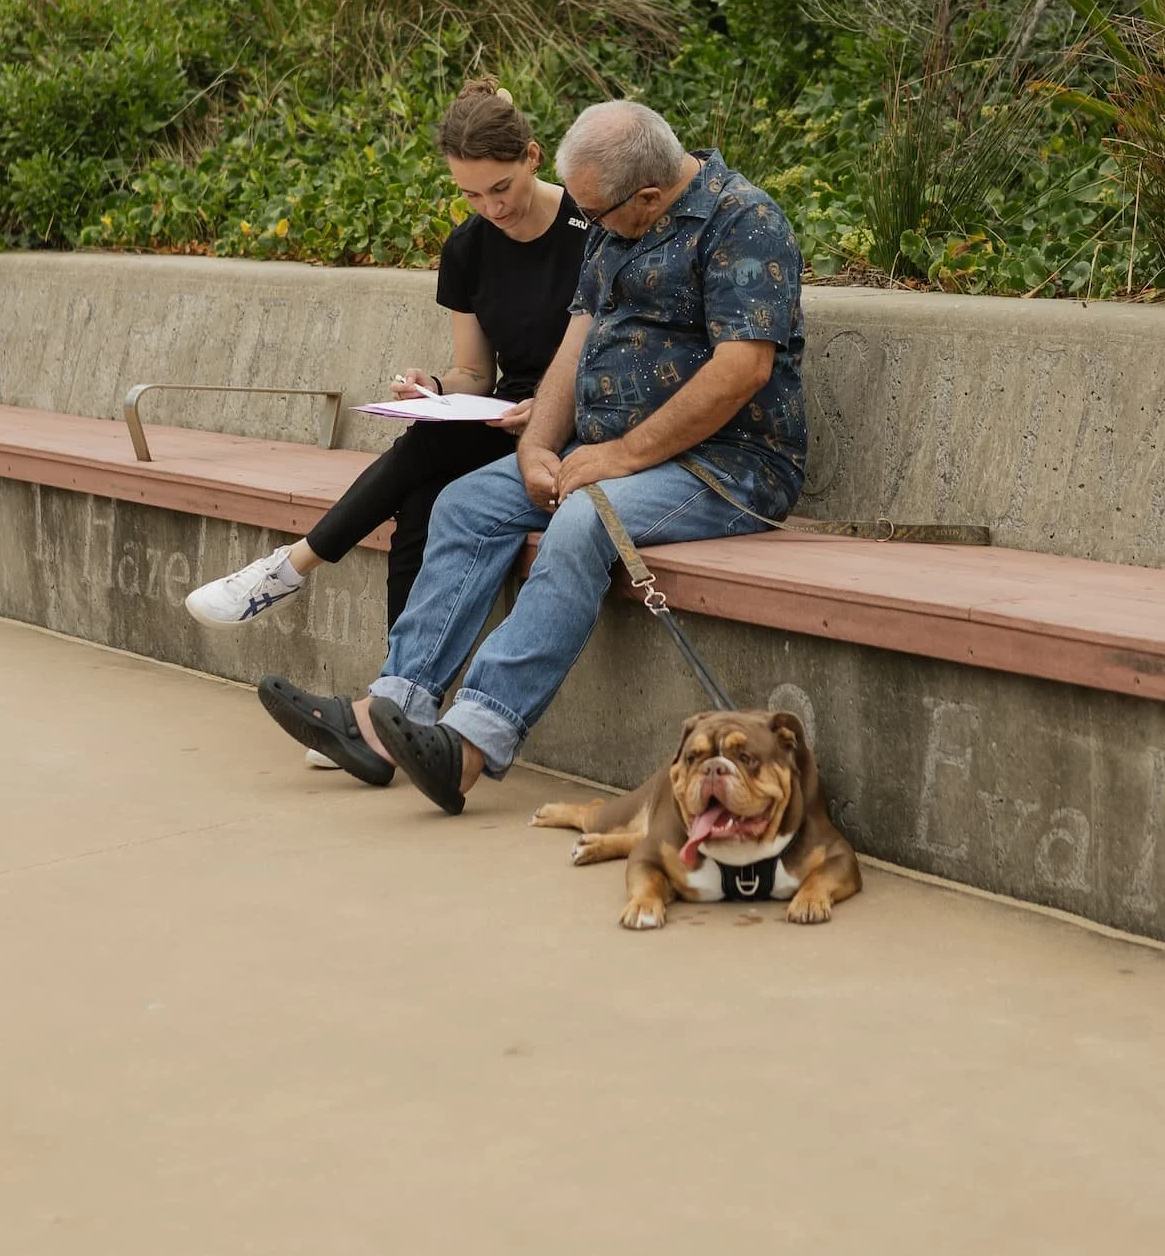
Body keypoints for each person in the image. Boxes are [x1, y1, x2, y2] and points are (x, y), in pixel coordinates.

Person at [257, 100, 807, 808]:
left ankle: (470, 746)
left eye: (595, 214)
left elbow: (742, 371)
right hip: (608, 453)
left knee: (583, 522)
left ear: (646, 195)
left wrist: (619, 457)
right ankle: (388, 713)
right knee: (465, 504)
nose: (585, 225)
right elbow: (578, 340)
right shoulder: (614, 223)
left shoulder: (745, 222)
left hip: (730, 467)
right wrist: (539, 447)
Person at [185, 80, 590, 757]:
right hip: (500, 417)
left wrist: (544, 411)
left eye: (500, 188)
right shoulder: (468, 248)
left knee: (425, 477)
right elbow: (474, 374)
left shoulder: (588, 227)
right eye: (469, 194)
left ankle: (293, 574)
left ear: (531, 156)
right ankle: (393, 720)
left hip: (572, 420)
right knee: (424, 489)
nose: (490, 207)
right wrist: (432, 387)